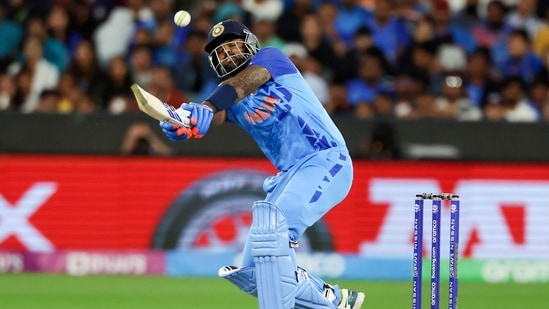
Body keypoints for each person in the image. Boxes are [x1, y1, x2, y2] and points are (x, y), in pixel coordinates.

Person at [158, 19, 364, 309]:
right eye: (220, 52)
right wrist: (186, 119)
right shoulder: (226, 96)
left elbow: (241, 85)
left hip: (326, 159)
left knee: (275, 231)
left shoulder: (270, 59)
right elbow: (215, 115)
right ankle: (332, 299)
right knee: (253, 273)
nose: (227, 54)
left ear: (250, 43)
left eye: (232, 46)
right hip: (290, 175)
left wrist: (206, 106)